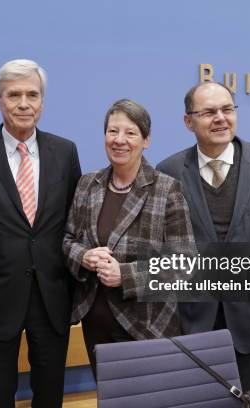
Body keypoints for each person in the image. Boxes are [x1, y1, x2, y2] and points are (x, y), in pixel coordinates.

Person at [157, 82, 250, 394]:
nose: (220, 118)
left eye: (227, 109)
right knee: (195, 400)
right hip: (191, 318)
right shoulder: (167, 172)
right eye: (209, 112)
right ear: (188, 121)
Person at [0, 59, 81, 408]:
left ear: (42, 101)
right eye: (14, 95)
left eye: (32, 94)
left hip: (52, 294)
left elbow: (75, 225)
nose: (24, 103)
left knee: (50, 392)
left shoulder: (65, 151)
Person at [63, 99, 195, 377]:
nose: (119, 140)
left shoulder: (167, 189)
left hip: (146, 326)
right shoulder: (88, 184)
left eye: (130, 133)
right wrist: (83, 256)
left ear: (146, 140)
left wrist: (126, 275)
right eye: (112, 131)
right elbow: (68, 240)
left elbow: (184, 264)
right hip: (95, 322)